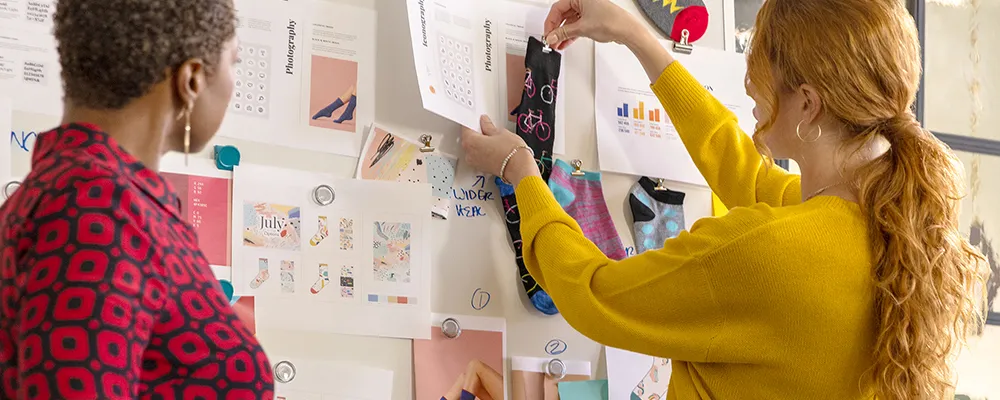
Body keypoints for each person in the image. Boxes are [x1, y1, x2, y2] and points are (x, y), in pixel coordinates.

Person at [459, 0, 989, 398]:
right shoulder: (883, 216)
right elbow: (743, 171)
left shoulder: (770, 253)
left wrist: (521, 171)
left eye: (761, 71)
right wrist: (636, 36)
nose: (749, 87)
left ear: (808, 104)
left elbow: (594, 294)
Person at [0, 0, 273, 398]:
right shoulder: (97, 208)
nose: (233, 83)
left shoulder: (94, 195)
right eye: (235, 63)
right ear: (191, 80)